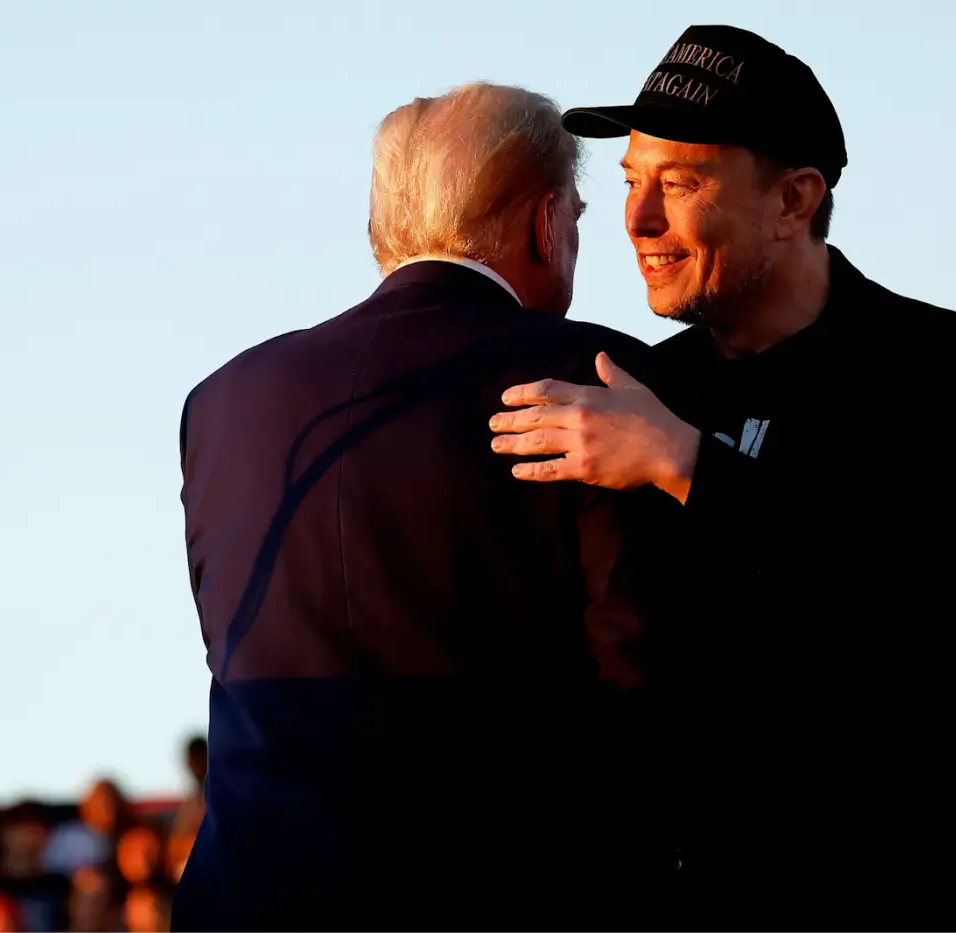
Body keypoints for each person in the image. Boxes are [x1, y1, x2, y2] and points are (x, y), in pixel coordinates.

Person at [488, 23, 956, 926]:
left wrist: (685, 463)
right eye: (631, 181)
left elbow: (923, 614)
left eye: (680, 184)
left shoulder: (952, 366)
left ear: (795, 198)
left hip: (949, 880)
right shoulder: (639, 391)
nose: (639, 220)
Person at [174, 82, 662, 929]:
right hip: (500, 891)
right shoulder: (600, 379)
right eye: (579, 214)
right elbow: (639, 661)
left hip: (248, 891)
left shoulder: (223, 400)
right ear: (545, 221)